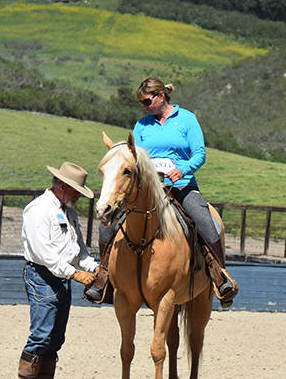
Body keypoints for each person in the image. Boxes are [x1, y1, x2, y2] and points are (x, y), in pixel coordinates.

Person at [85, 77, 238, 307]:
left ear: (161, 96)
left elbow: (200, 153)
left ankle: (220, 275)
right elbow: (133, 157)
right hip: (148, 189)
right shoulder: (141, 125)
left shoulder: (187, 119)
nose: (144, 107)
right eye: (142, 103)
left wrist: (183, 169)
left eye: (147, 101)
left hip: (181, 185)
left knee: (204, 219)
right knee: (107, 225)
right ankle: (104, 278)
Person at [15, 162, 99, 379]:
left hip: (61, 277)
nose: (77, 197)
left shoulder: (68, 213)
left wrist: (94, 268)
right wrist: (75, 273)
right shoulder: (39, 209)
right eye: (75, 191)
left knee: (55, 337)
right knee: (41, 334)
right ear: (63, 186)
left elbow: (79, 251)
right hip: (42, 276)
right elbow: (44, 253)